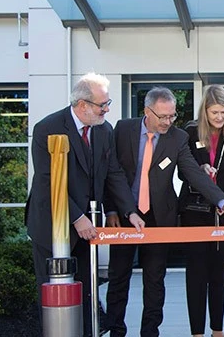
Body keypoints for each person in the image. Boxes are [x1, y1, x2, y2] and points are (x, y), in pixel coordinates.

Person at [104, 87, 224, 337]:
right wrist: (114, 209)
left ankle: (150, 332)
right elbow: (111, 173)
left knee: (155, 280)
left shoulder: (177, 137)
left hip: (160, 217)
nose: (168, 122)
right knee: (118, 277)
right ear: (147, 112)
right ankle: (116, 330)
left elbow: (192, 173)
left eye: (172, 116)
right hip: (125, 215)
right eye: (163, 117)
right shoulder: (122, 130)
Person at [25, 72, 146, 337]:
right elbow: (47, 182)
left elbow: (113, 173)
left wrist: (129, 211)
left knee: (87, 295)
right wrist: (77, 217)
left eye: (108, 103)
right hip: (53, 226)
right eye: (102, 105)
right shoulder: (48, 128)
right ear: (82, 105)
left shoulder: (104, 129)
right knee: (55, 296)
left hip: (87, 229)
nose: (107, 109)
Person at [178, 85, 224, 337]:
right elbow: (181, 171)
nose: (219, 117)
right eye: (214, 112)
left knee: (219, 273)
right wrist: (201, 169)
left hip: (223, 213)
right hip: (194, 211)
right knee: (196, 273)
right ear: (204, 111)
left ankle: (218, 329)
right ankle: (197, 332)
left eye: (223, 112)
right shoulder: (190, 131)